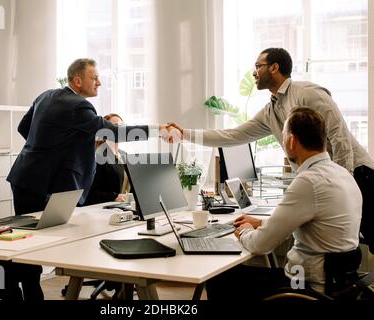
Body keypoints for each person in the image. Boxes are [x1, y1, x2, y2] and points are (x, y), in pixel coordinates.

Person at [166, 47, 374, 253]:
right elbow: (233, 135)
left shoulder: (308, 94)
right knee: (338, 248)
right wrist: (185, 134)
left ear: (274, 68)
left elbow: (340, 137)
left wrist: (341, 178)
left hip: (358, 175)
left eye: (258, 66)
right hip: (333, 182)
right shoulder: (271, 111)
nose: (254, 72)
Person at [206, 107, 362, 300]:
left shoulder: (308, 181)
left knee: (218, 278)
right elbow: (318, 227)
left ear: (292, 140)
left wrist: (244, 230)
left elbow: (260, 245)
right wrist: (262, 224)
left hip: (303, 288)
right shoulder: (342, 173)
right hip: (336, 285)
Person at [7, 58, 158, 215]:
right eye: (94, 78)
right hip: (44, 185)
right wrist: (159, 130)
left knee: (32, 233)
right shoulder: (78, 105)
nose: (99, 82)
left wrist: (48, 152)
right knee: (45, 234)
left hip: (24, 178)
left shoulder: (46, 96)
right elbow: (114, 132)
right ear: (78, 81)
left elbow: (23, 127)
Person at [84, 113, 130, 205]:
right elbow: (89, 193)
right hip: (106, 209)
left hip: (125, 208)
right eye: (115, 127)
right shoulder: (98, 156)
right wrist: (114, 196)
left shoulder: (124, 155)